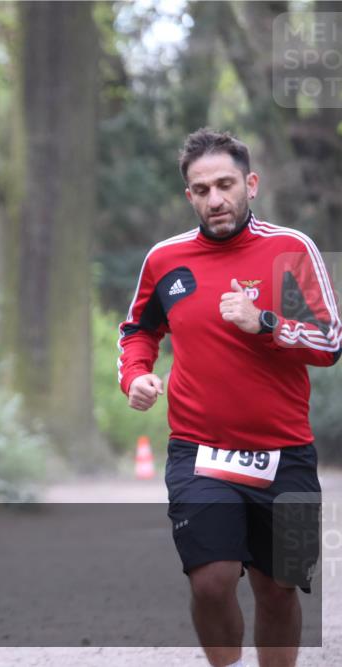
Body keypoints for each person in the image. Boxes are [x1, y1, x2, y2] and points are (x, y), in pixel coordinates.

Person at [118, 129, 340, 667]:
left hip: (284, 453)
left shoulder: (289, 250)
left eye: (225, 184)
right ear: (188, 196)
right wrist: (137, 375)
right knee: (211, 583)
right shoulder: (166, 259)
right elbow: (138, 331)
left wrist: (264, 322)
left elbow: (330, 341)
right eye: (201, 189)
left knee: (277, 588)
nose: (215, 199)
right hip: (200, 453)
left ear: (251, 184)